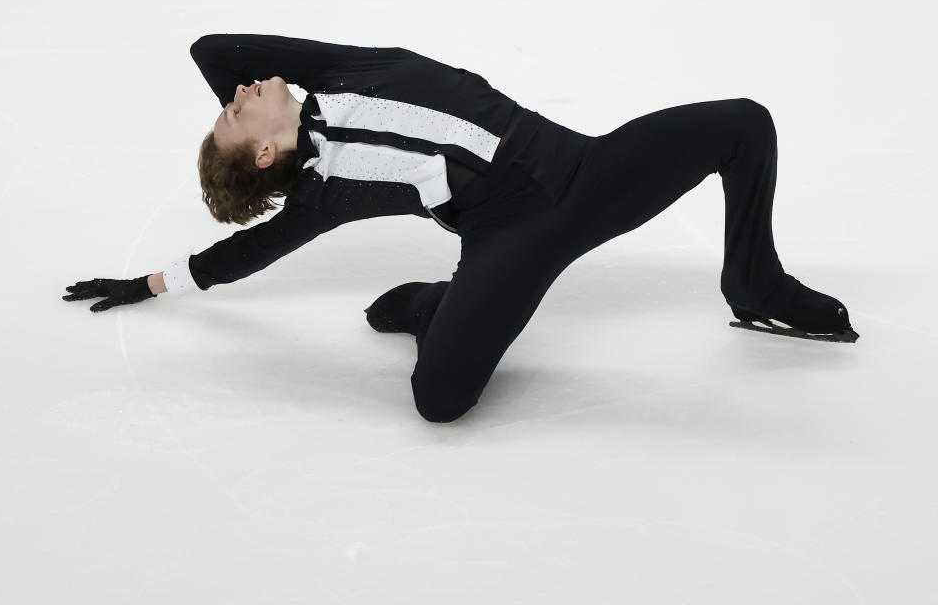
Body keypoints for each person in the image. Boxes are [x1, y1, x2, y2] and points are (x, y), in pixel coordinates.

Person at [63, 33, 859, 423]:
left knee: (745, 125)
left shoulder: (336, 71)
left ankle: (754, 280)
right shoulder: (318, 197)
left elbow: (213, 48)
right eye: (235, 111)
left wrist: (239, 123)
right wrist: (148, 282)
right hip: (512, 236)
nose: (238, 89)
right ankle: (435, 310)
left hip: (585, 173)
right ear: (266, 151)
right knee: (439, 400)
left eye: (233, 97)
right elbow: (241, 254)